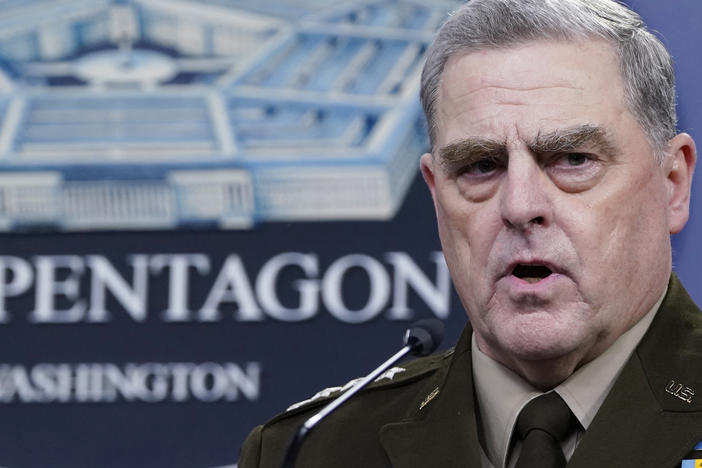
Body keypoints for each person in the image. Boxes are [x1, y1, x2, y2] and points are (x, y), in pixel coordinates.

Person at [238, 0, 701, 466]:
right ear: (437, 194)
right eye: (481, 166)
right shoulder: (305, 452)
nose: (520, 207)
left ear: (672, 185)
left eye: (572, 160)